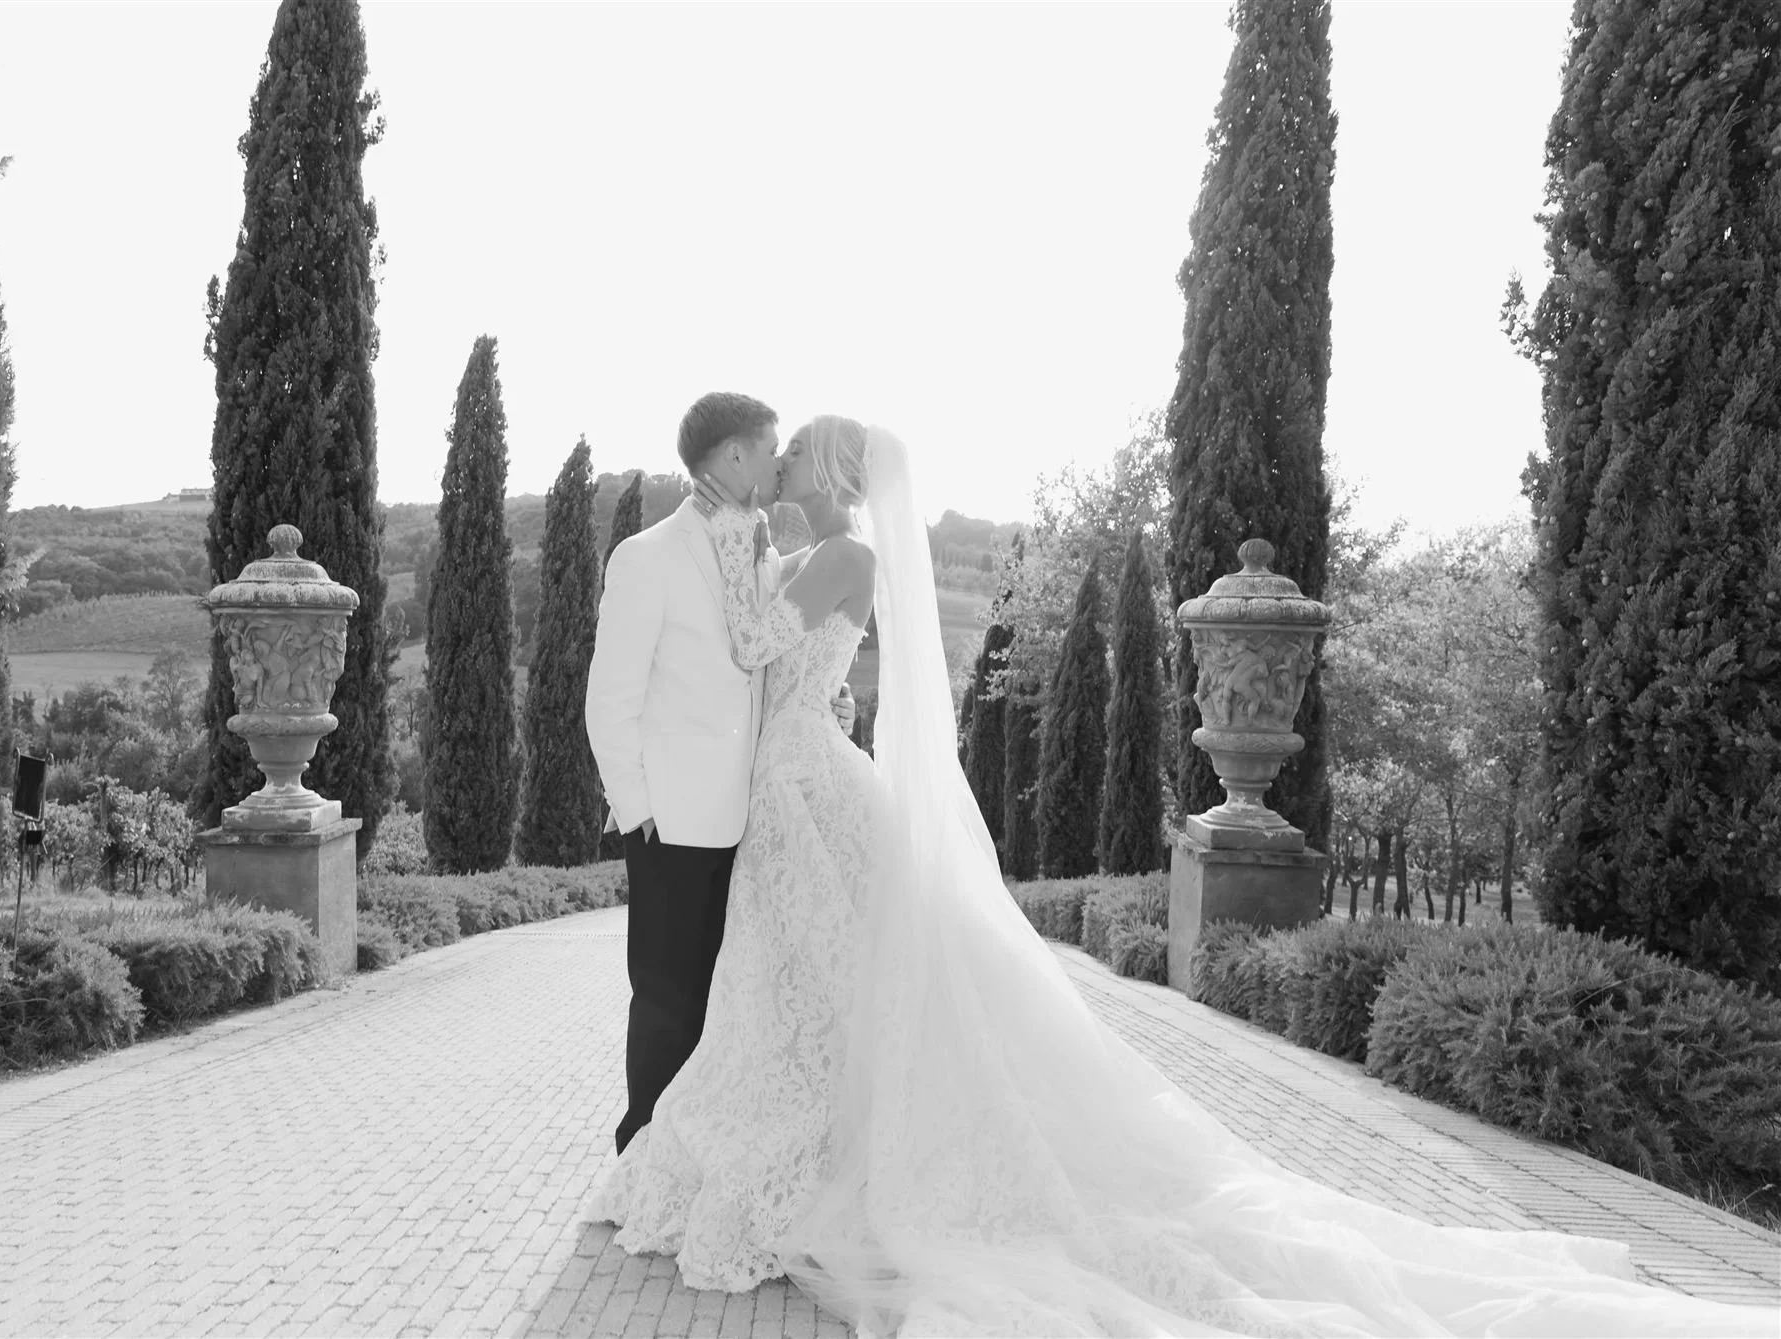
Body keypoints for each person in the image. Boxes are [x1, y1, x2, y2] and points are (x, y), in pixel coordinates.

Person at [592, 415, 1774, 1338]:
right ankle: (777, 1133)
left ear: (834, 471)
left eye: (795, 450)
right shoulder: (809, 549)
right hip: (787, 785)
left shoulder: (835, 554)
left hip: (803, 784)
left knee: (821, 980)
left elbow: (752, 649)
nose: (781, 461)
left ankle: (812, 1152)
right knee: (804, 983)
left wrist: (725, 561)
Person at [583, 393, 852, 1161]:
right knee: (667, 998)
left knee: (723, 1001)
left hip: (753, 812)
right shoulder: (647, 557)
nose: (776, 464)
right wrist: (637, 809)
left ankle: (693, 1158)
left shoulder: (758, 553)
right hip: (670, 817)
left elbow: (780, 647)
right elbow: (610, 701)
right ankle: (641, 1152)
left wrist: (829, 686)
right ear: (733, 457)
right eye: (771, 449)